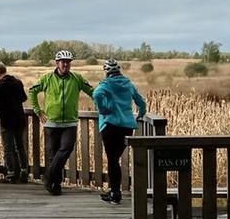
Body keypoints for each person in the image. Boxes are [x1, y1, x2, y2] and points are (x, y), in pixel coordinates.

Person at [28, 49, 93, 195]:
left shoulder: (77, 78)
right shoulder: (47, 78)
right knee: (53, 155)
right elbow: (32, 91)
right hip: (52, 123)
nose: (66, 65)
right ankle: (55, 186)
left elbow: (93, 92)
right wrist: (38, 111)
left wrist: (104, 102)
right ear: (57, 63)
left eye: (68, 62)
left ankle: (48, 176)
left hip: (69, 123)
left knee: (66, 149)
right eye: (63, 62)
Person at [92, 58, 147, 205]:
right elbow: (140, 101)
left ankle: (115, 193)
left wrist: (103, 109)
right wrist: (141, 113)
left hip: (110, 126)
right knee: (115, 159)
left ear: (106, 72)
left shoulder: (106, 84)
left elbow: (96, 95)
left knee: (112, 160)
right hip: (127, 126)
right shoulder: (128, 84)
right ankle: (114, 191)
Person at [0, 61, 28, 183]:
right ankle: (24, 172)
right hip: (20, 119)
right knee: (20, 146)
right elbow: (23, 98)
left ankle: (11, 173)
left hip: (7, 120)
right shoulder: (18, 82)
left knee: (8, 148)